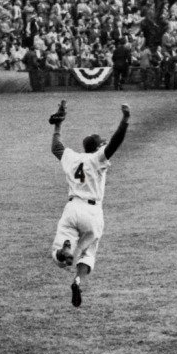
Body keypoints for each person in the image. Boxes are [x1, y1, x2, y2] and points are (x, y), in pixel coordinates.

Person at [48, 100, 131, 307]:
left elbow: (56, 147)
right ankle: (77, 280)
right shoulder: (97, 159)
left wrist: (58, 126)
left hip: (72, 208)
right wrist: (125, 120)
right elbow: (115, 142)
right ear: (97, 147)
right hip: (93, 213)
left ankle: (65, 249)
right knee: (88, 253)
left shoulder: (73, 158)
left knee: (58, 256)